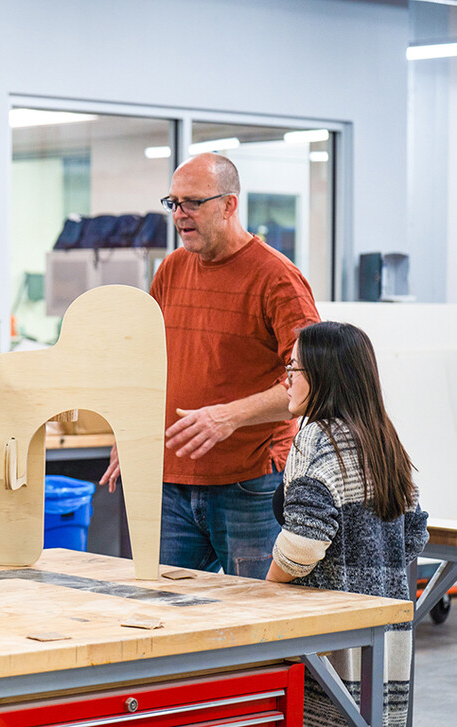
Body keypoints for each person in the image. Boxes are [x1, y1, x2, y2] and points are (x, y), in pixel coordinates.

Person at [100, 153, 320, 579]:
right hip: (170, 481)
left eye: (193, 203)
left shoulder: (277, 279)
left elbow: (312, 381)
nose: (180, 215)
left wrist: (228, 417)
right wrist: (131, 433)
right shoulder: (172, 268)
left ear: (229, 205)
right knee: (157, 612)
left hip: (250, 484)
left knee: (258, 621)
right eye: (174, 203)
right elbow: (149, 360)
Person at [267, 321, 427, 726]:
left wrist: (265, 592)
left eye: (294, 368)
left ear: (323, 376)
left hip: (331, 643)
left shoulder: (317, 439)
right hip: (385, 636)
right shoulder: (383, 438)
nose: (286, 380)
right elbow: (413, 536)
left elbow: (303, 544)